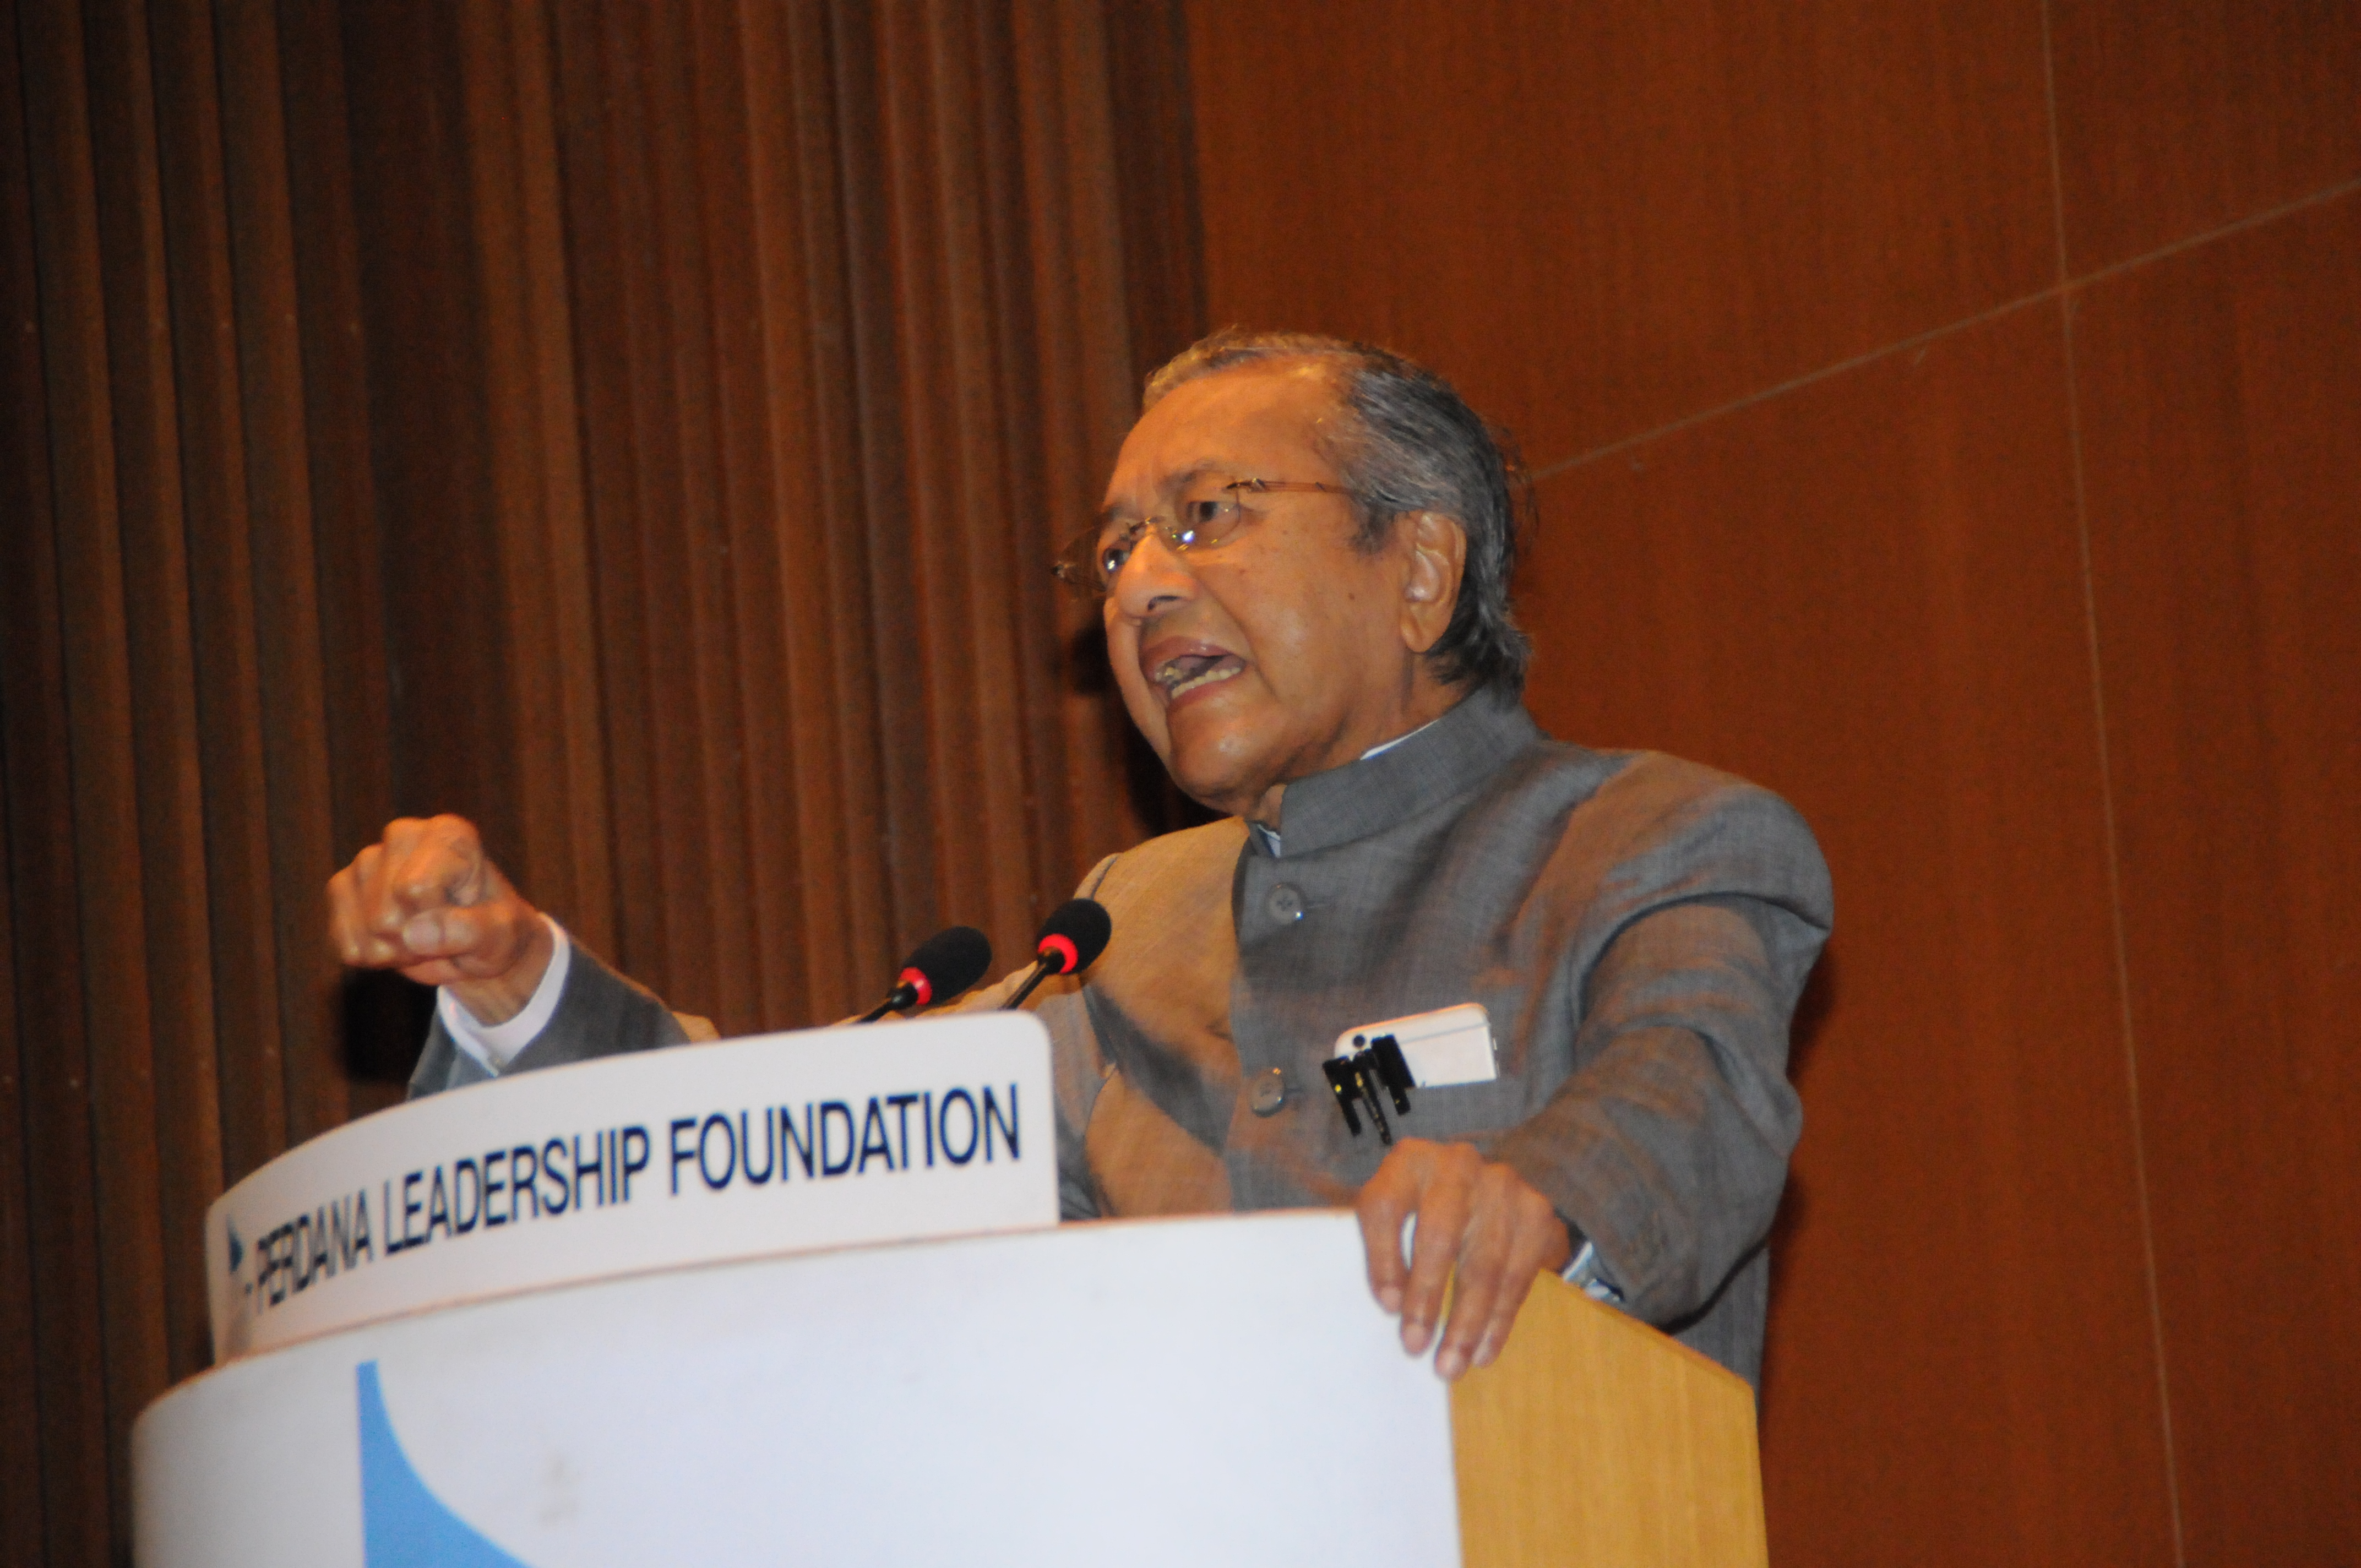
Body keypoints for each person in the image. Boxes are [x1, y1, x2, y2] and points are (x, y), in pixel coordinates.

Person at [329, 330, 1831, 1389]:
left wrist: (1536, 1198)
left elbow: (1689, 1100)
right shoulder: (1132, 919)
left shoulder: (1653, 839)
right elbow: (813, 1154)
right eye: (1114, 553)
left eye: (1207, 517)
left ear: (1420, 569)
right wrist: (521, 988)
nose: (1140, 589)